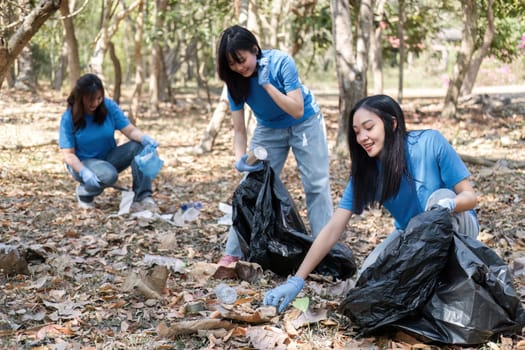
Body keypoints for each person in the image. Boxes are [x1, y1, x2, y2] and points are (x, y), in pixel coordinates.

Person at [264, 94, 480, 313]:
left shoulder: (429, 142)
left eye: (369, 127)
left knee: (439, 198)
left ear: (392, 123)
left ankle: (447, 281)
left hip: (457, 225)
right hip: (412, 236)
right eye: (357, 132)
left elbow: (470, 197)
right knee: (368, 280)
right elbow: (332, 228)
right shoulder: (366, 173)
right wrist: (297, 280)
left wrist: (447, 206)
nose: (362, 137)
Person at [215, 25, 333, 266]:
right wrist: (241, 159)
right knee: (250, 187)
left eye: (241, 60)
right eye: (232, 64)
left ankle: (324, 253)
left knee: (316, 186)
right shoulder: (234, 83)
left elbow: (297, 109)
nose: (239, 67)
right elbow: (239, 129)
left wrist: (267, 84)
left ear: (255, 50)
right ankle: (233, 253)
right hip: (268, 128)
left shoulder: (281, 62)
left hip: (305, 122)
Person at [58, 73, 159, 210]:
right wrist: (83, 171)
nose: (95, 103)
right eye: (90, 100)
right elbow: (69, 155)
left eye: (98, 98)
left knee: (140, 147)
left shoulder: (108, 107)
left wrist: (145, 138)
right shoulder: (68, 118)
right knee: (108, 174)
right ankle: (84, 193)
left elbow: (129, 130)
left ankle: (142, 197)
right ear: (80, 97)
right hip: (82, 163)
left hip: (108, 158)